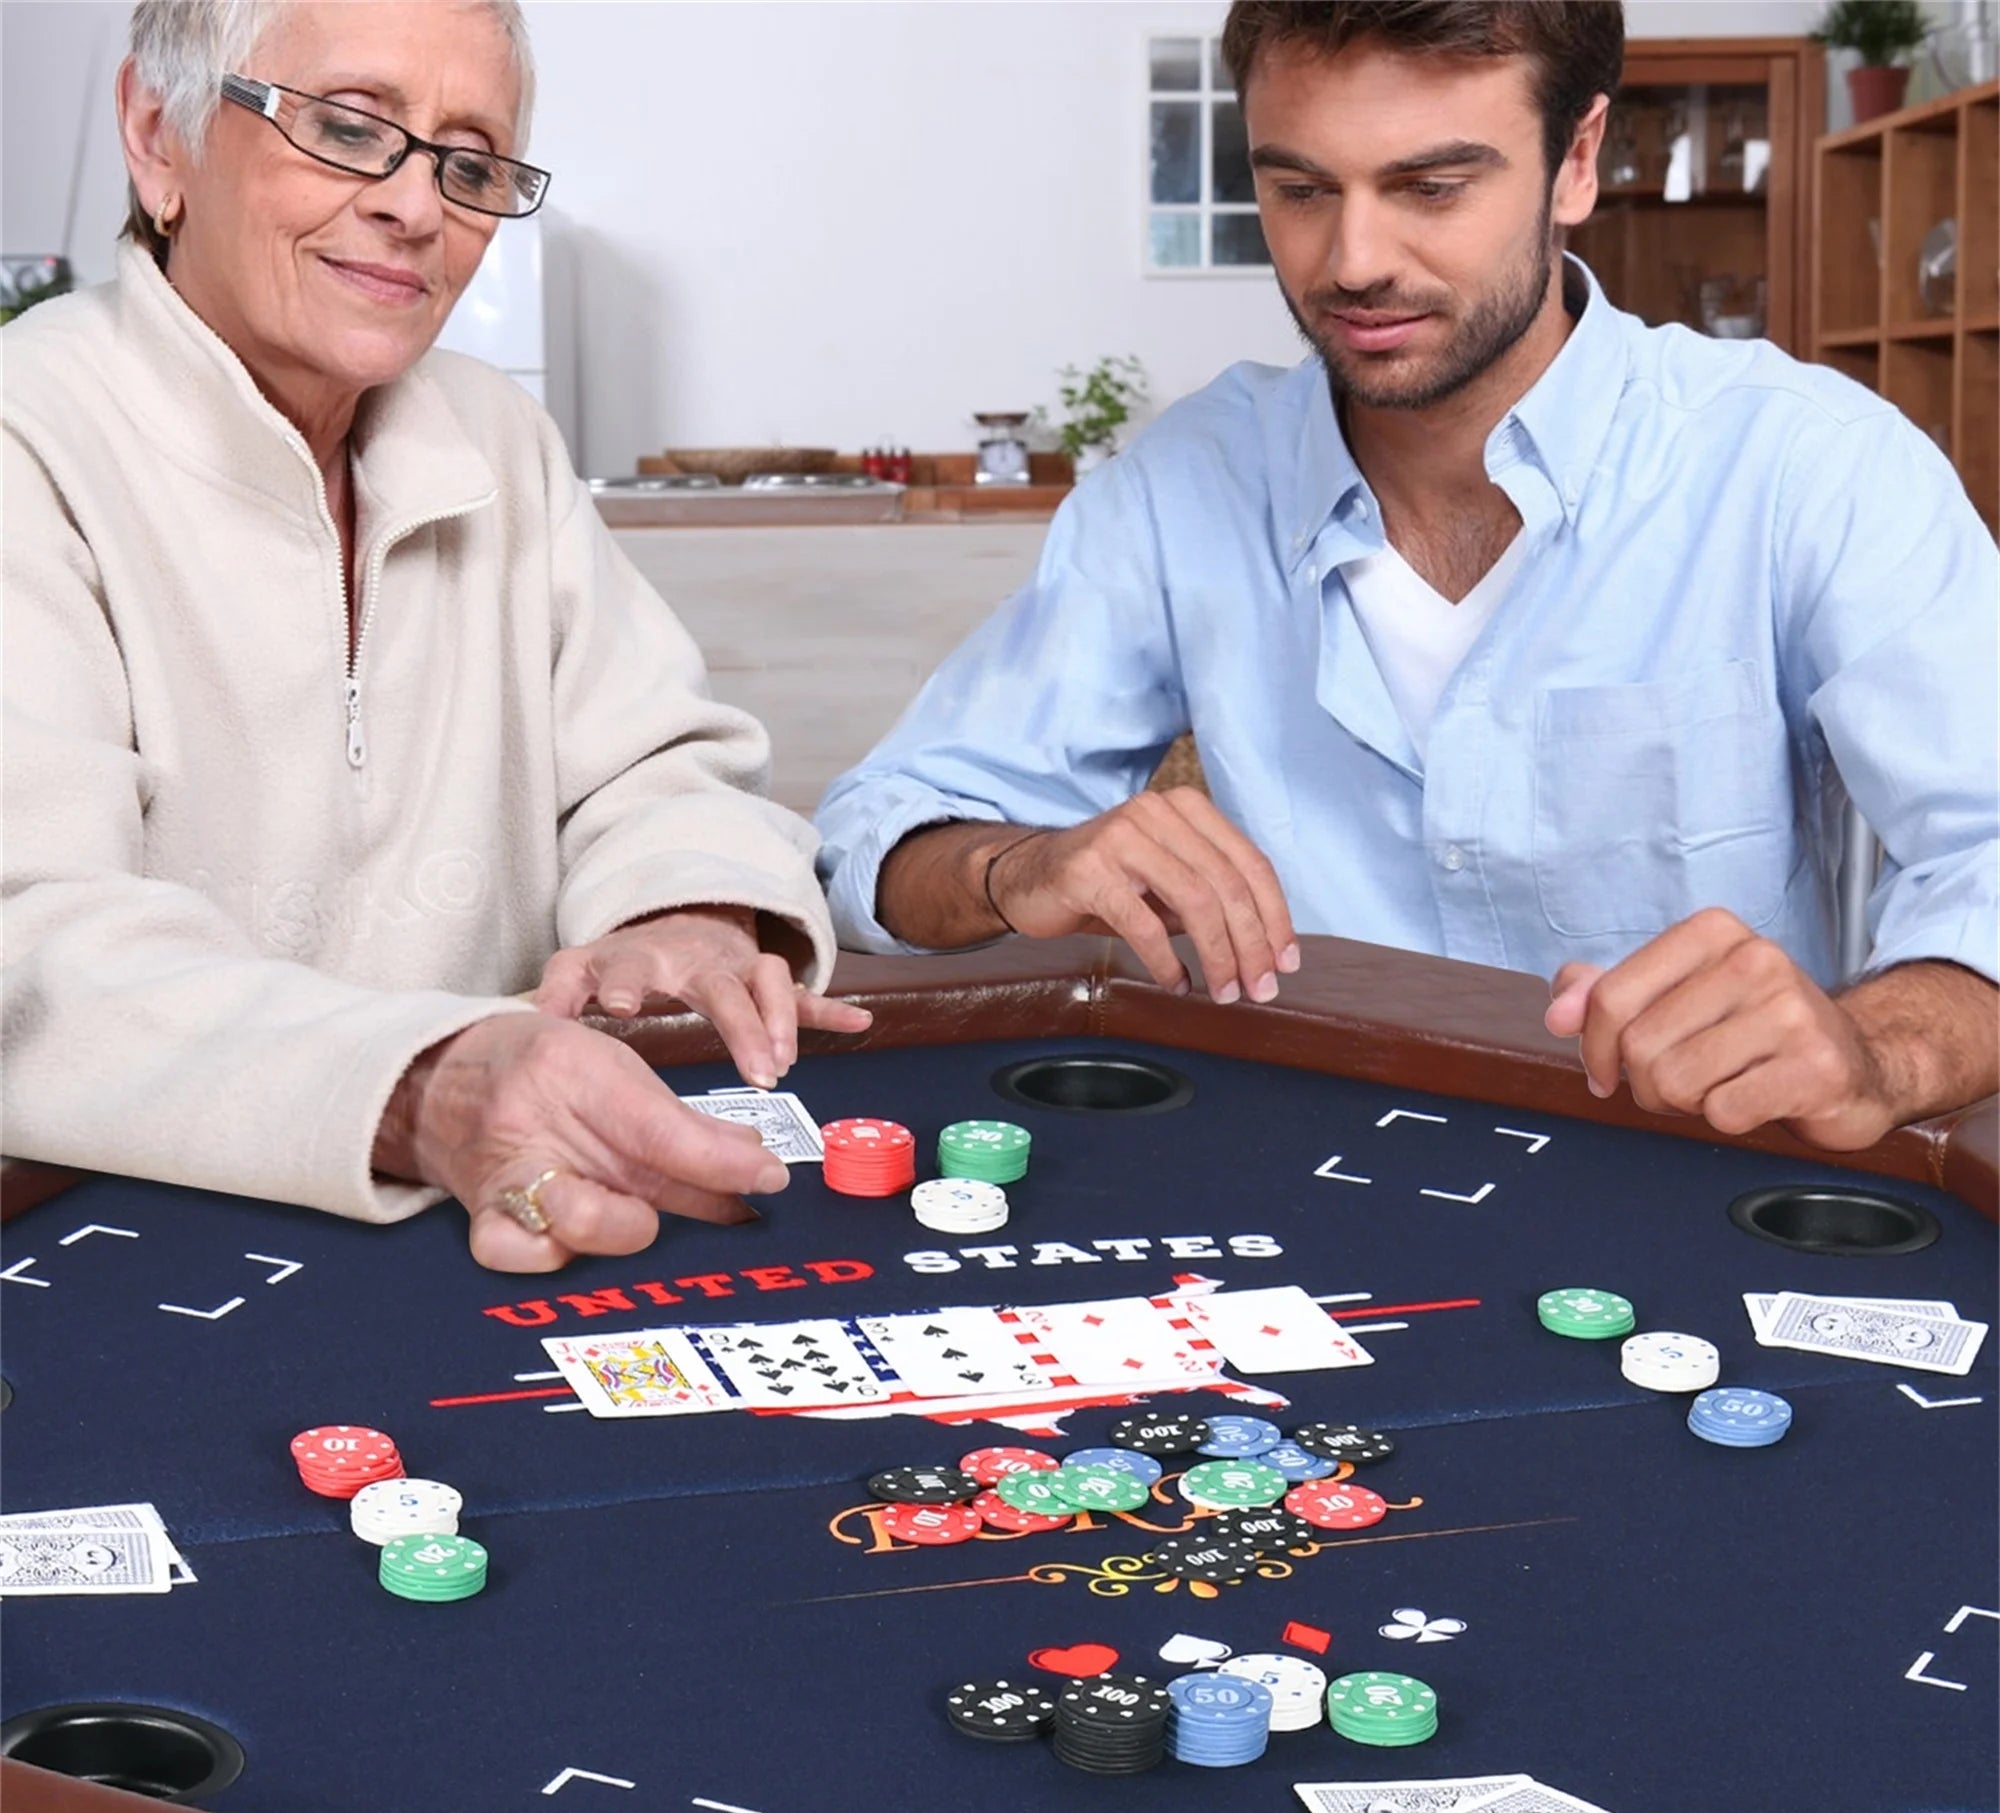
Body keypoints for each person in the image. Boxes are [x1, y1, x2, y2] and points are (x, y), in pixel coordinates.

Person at [817, 0, 1998, 1152]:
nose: (1353, 261)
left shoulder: (1807, 464)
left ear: (1574, 160)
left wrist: (1876, 1049)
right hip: (1306, 1175)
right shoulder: (1180, 488)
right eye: (1299, 189)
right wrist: (1020, 862)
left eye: (1431, 187)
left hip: (1704, 1175)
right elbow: (875, 837)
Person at [2, 0, 871, 1275]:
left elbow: (653, 763)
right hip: (125, 1253)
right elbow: (30, 943)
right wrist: (431, 1088)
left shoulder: (495, 435)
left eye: (469, 162)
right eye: (349, 128)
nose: (416, 207)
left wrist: (681, 907)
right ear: (157, 134)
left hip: (510, 1219)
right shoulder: (30, 440)